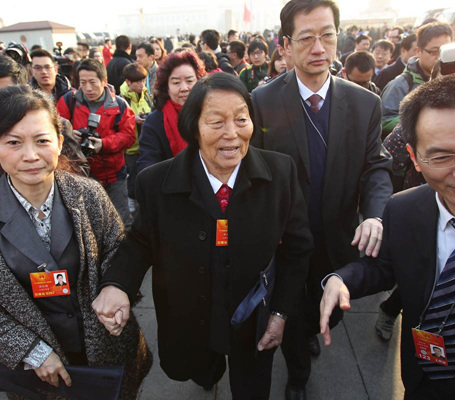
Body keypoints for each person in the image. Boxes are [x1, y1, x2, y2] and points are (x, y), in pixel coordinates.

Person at [93, 72, 313, 399]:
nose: (232, 133)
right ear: (193, 127)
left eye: (241, 119)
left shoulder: (280, 173)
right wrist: (116, 284)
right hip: (190, 315)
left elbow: (297, 249)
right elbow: (140, 241)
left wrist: (280, 313)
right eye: (216, 122)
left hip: (253, 316)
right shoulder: (156, 183)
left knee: (252, 386)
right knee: (201, 368)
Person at [320, 72, 455, 399]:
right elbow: (384, 267)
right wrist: (340, 280)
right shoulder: (404, 208)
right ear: (414, 157)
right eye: (442, 157)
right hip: (425, 378)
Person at [0, 86, 152, 399]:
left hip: (107, 345)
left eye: (42, 140)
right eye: (13, 143)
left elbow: (117, 250)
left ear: (59, 141)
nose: (30, 155)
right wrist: (31, 351)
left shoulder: (89, 195)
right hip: (38, 368)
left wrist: (116, 287)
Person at [250, 1, 393, 399]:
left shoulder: (364, 103)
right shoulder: (262, 100)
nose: (319, 47)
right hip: (285, 242)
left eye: (327, 36)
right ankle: (298, 377)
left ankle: (311, 331)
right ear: (285, 45)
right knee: (291, 313)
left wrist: (375, 216)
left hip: (337, 238)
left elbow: (376, 167)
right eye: (307, 38)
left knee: (328, 308)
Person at [57, 59, 136, 230]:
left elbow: (129, 136)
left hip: (114, 174)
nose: (88, 88)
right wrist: (70, 135)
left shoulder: (119, 104)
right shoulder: (68, 101)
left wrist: (103, 144)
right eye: (83, 82)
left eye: (92, 82)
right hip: (81, 174)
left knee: (122, 221)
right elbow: (56, 131)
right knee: (90, 224)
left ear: (104, 81)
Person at [136, 51, 206, 173]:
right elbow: (147, 165)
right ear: (166, 87)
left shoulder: (211, 114)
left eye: (190, 81)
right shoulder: (154, 122)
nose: (184, 88)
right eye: (176, 83)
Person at [381, 22, 452, 136]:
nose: (440, 57)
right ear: (418, 51)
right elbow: (384, 121)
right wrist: (420, 120)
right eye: (434, 51)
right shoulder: (400, 85)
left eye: (445, 51)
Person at [120, 62, 153, 213]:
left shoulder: (147, 95)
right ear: (128, 82)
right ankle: (131, 203)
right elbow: (119, 123)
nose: (141, 84)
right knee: (132, 177)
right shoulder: (122, 99)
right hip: (131, 148)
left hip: (146, 145)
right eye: (138, 82)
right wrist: (133, 120)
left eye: (143, 81)